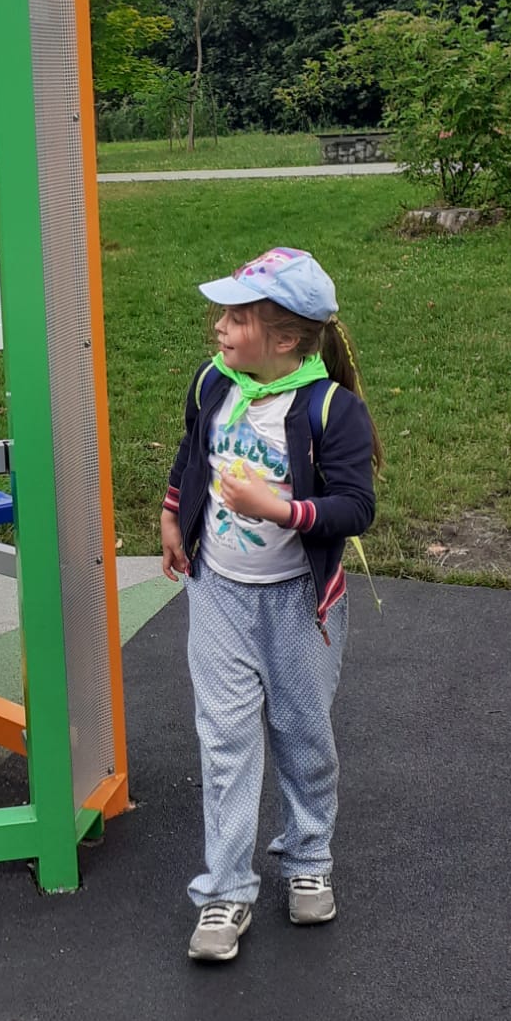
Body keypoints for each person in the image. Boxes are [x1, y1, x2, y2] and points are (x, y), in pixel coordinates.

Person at [160, 246, 379, 965]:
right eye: (222, 315)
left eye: (236, 318)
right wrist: (172, 514)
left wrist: (280, 509)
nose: (219, 327)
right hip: (218, 593)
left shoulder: (330, 410)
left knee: (302, 734)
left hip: (299, 604)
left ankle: (308, 856)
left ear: (285, 339)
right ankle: (225, 890)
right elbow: (193, 455)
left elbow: (355, 507)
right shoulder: (213, 384)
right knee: (225, 741)